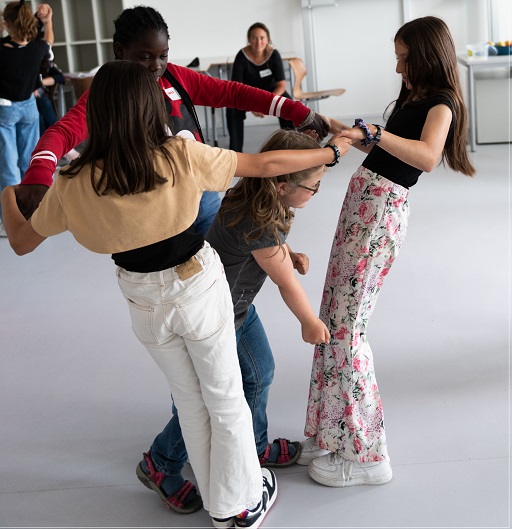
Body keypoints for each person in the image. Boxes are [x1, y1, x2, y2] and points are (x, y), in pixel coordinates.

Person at [1, 61, 349, 528]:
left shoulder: (74, 182)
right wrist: (328, 155)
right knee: (224, 398)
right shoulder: (180, 154)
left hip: (142, 301)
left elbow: (21, 242)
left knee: (191, 402)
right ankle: (236, 506)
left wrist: (9, 190)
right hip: (197, 288)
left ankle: (217, 498)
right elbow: (265, 165)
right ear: (150, 107)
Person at [298, 16, 476, 487]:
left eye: (403, 57)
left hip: (379, 214)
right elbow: (386, 152)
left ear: (425, 55)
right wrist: (352, 135)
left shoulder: (442, 103)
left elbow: (427, 157)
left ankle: (367, 453)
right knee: (331, 316)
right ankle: (330, 431)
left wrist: (373, 132)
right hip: (364, 203)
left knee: (347, 327)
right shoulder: (412, 96)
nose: (398, 67)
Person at [143, 129, 348, 507]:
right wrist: (309, 321)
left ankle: (253, 446)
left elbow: (268, 247)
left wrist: (289, 251)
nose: (315, 194)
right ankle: (160, 461)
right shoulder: (258, 221)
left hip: (235, 307)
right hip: (216, 318)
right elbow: (286, 284)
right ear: (284, 184)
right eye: (314, 187)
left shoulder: (255, 195)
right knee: (204, 401)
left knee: (258, 372)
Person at [14, 5, 331, 234]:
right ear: (120, 50)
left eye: (163, 54)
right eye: (145, 56)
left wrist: (296, 110)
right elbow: (61, 133)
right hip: (150, 207)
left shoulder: (176, 77)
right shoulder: (106, 91)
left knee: (221, 283)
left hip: (201, 194)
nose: (156, 65)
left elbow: (234, 93)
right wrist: (39, 175)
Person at [0, 1, 53, 236]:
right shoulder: (39, 47)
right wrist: (48, 21)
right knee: (28, 161)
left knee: (8, 165)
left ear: (7, 23)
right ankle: (33, 215)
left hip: (5, 109)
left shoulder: (1, 49)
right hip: (29, 107)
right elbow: (49, 41)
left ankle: (9, 221)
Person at [227, 23, 293, 153]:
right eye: (254, 38)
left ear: (267, 39)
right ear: (249, 39)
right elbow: (236, 89)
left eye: (262, 38)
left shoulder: (274, 55)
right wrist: (252, 106)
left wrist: (267, 103)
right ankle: (235, 153)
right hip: (247, 95)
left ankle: (291, 147)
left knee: (288, 104)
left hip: (272, 93)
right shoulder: (241, 56)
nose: (258, 42)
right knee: (232, 109)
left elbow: (281, 85)